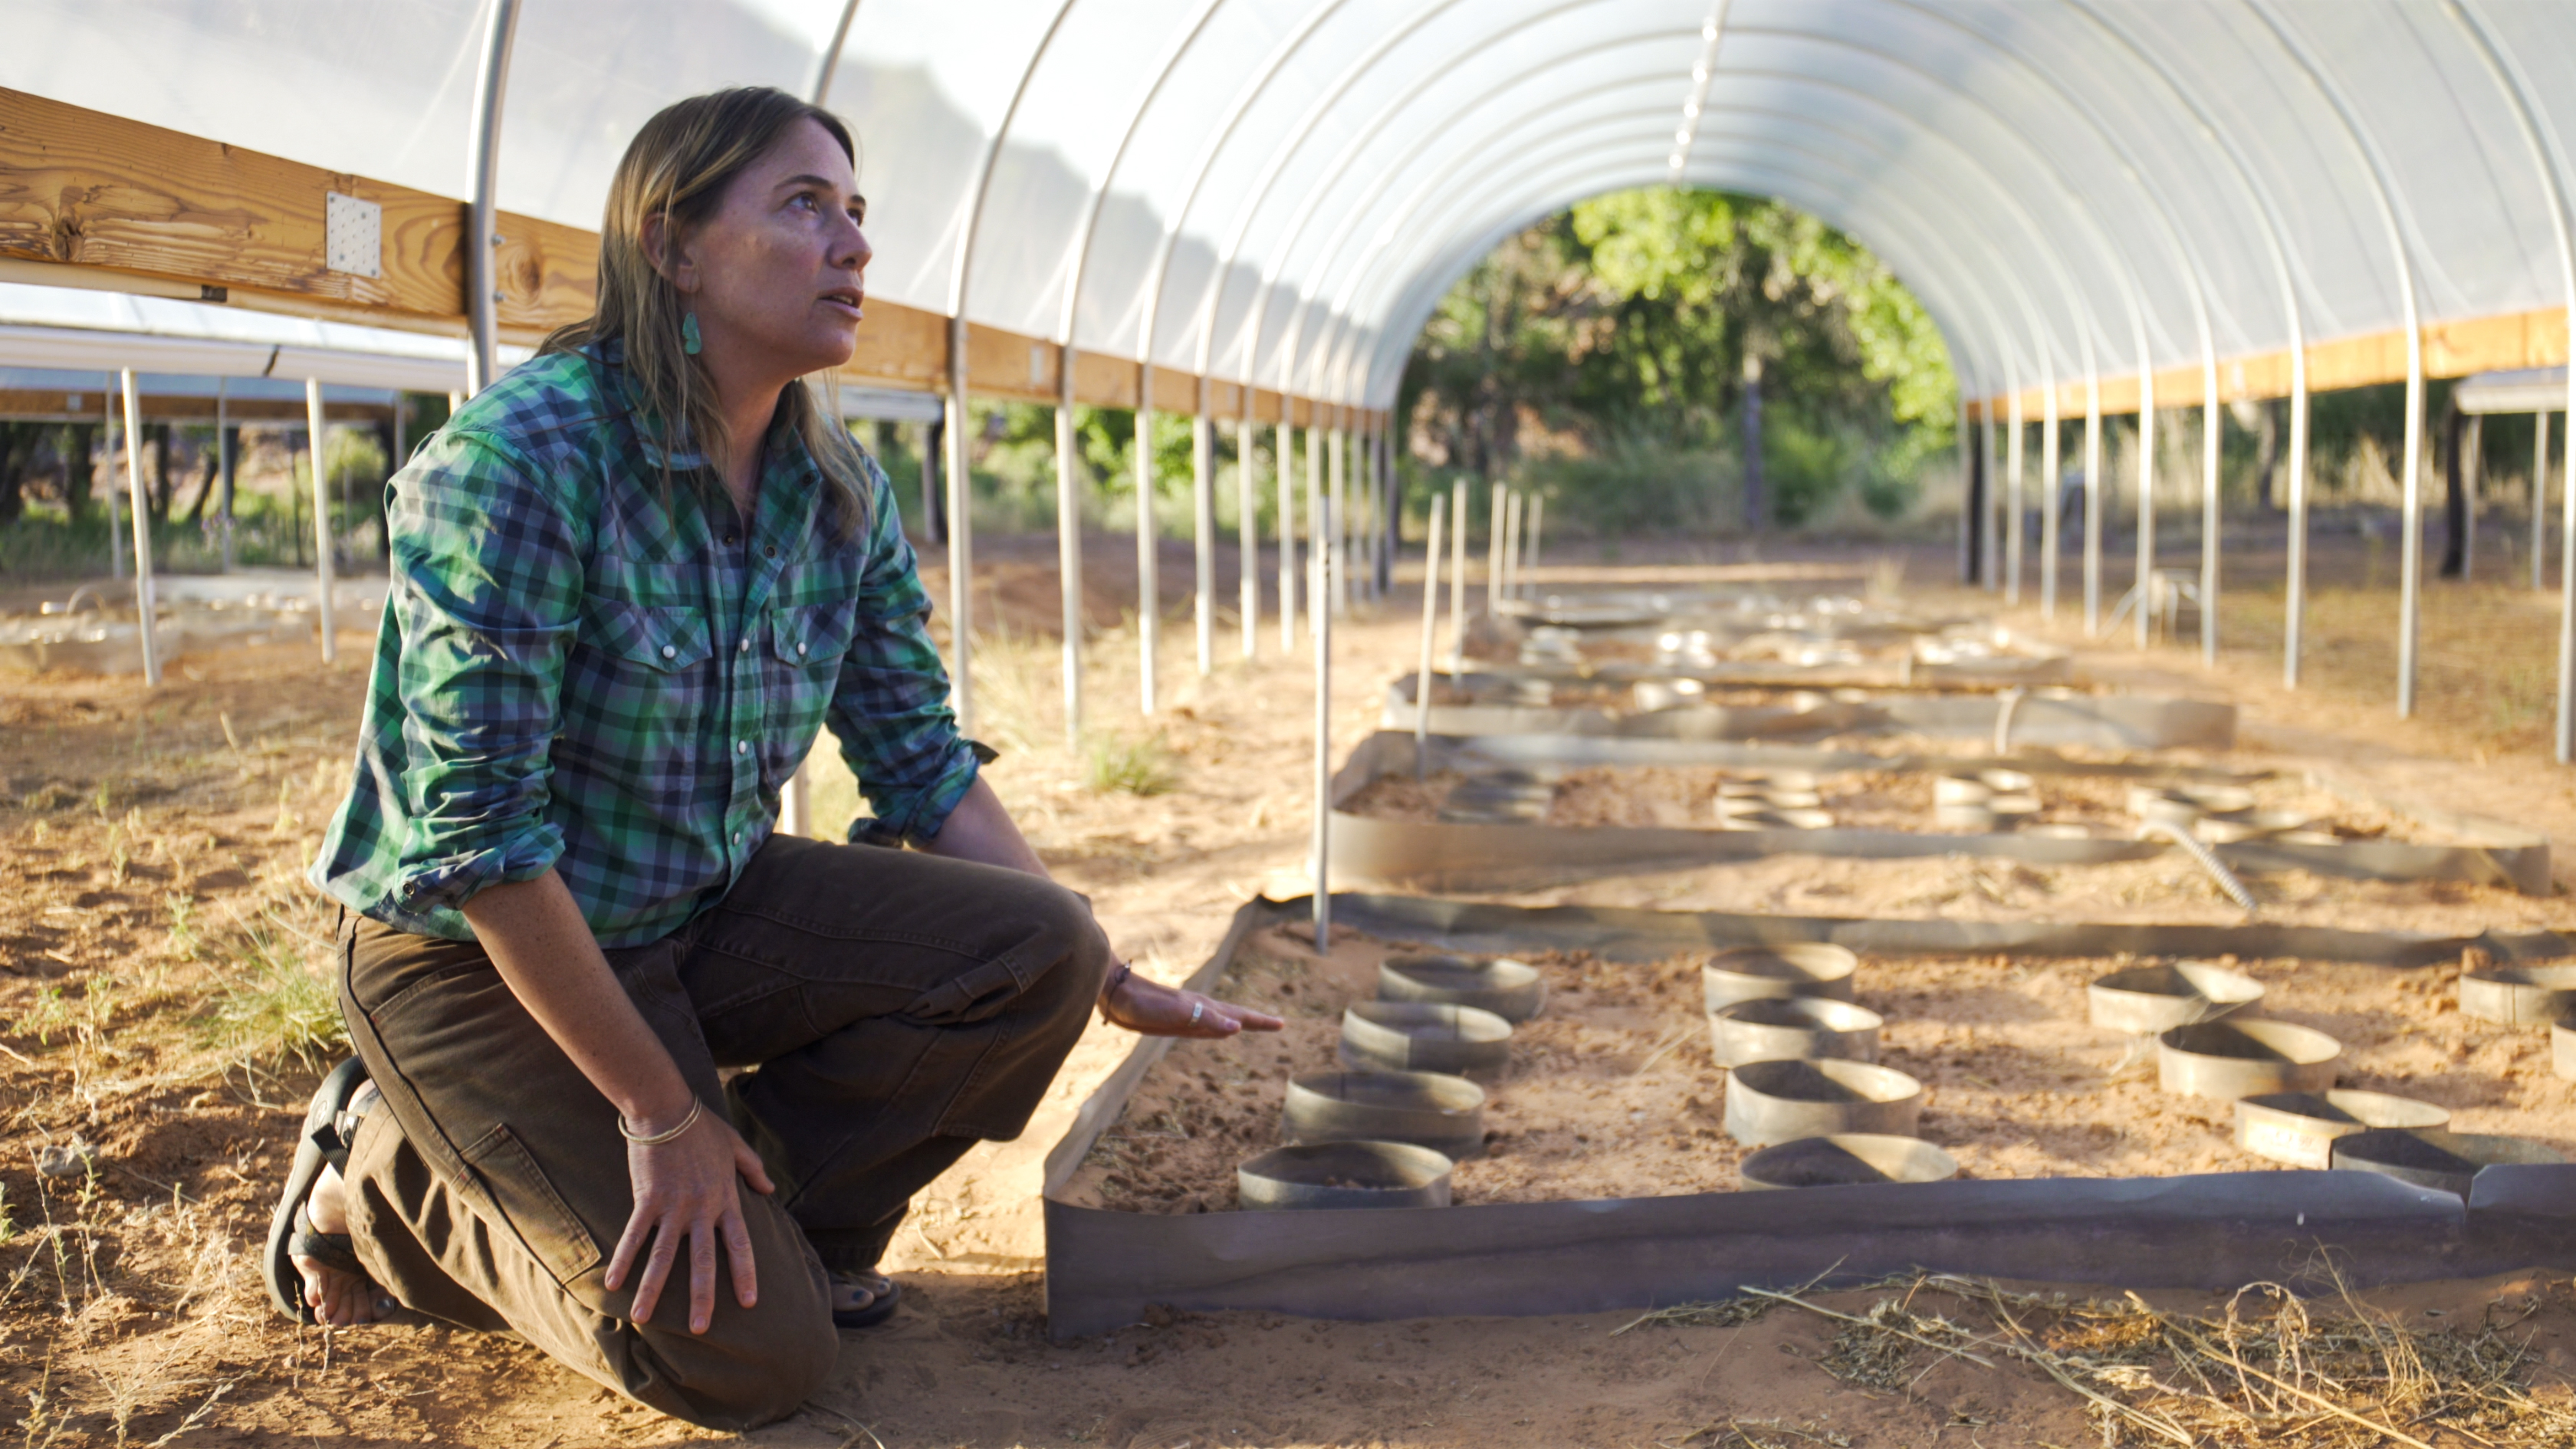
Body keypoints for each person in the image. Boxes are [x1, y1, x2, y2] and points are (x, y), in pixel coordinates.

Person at [268, 87, 1281, 1431]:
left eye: (858, 213)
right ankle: (381, 1176)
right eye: (805, 207)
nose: (854, 244)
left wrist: (1099, 968)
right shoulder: (522, 461)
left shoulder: (834, 490)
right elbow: (482, 844)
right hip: (479, 957)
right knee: (758, 1364)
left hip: (694, 914)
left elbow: (917, 762)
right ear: (672, 244)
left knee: (1036, 943)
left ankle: (766, 1232)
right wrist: (661, 1115)